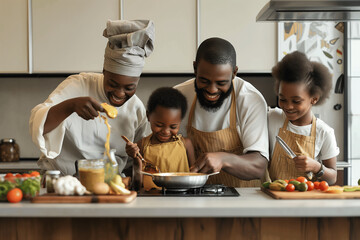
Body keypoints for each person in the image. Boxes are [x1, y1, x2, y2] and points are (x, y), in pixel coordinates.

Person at [29, 19, 155, 176]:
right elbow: (37, 123)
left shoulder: (136, 108)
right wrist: (70, 106)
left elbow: (136, 159)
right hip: (63, 182)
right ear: (104, 71)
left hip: (109, 185)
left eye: (129, 88)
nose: (120, 93)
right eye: (113, 84)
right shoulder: (78, 85)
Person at [174, 37, 269, 187]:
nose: (212, 90)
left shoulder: (250, 100)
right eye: (204, 80)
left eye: (221, 83)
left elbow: (259, 166)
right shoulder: (179, 96)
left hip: (244, 200)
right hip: (196, 197)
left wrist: (223, 159)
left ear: (234, 73)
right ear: (194, 68)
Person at [268, 51, 339, 185]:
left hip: (307, 200)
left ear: (314, 99)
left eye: (296, 101)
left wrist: (317, 167)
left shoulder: (324, 132)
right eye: (282, 99)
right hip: (274, 196)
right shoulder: (271, 118)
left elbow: (333, 177)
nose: (288, 106)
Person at [125, 87, 196, 190]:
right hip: (151, 198)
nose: (166, 131)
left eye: (173, 127)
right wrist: (136, 158)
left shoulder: (186, 144)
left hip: (183, 197)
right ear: (148, 116)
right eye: (159, 125)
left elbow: (195, 175)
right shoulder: (142, 145)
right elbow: (137, 183)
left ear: (180, 121)